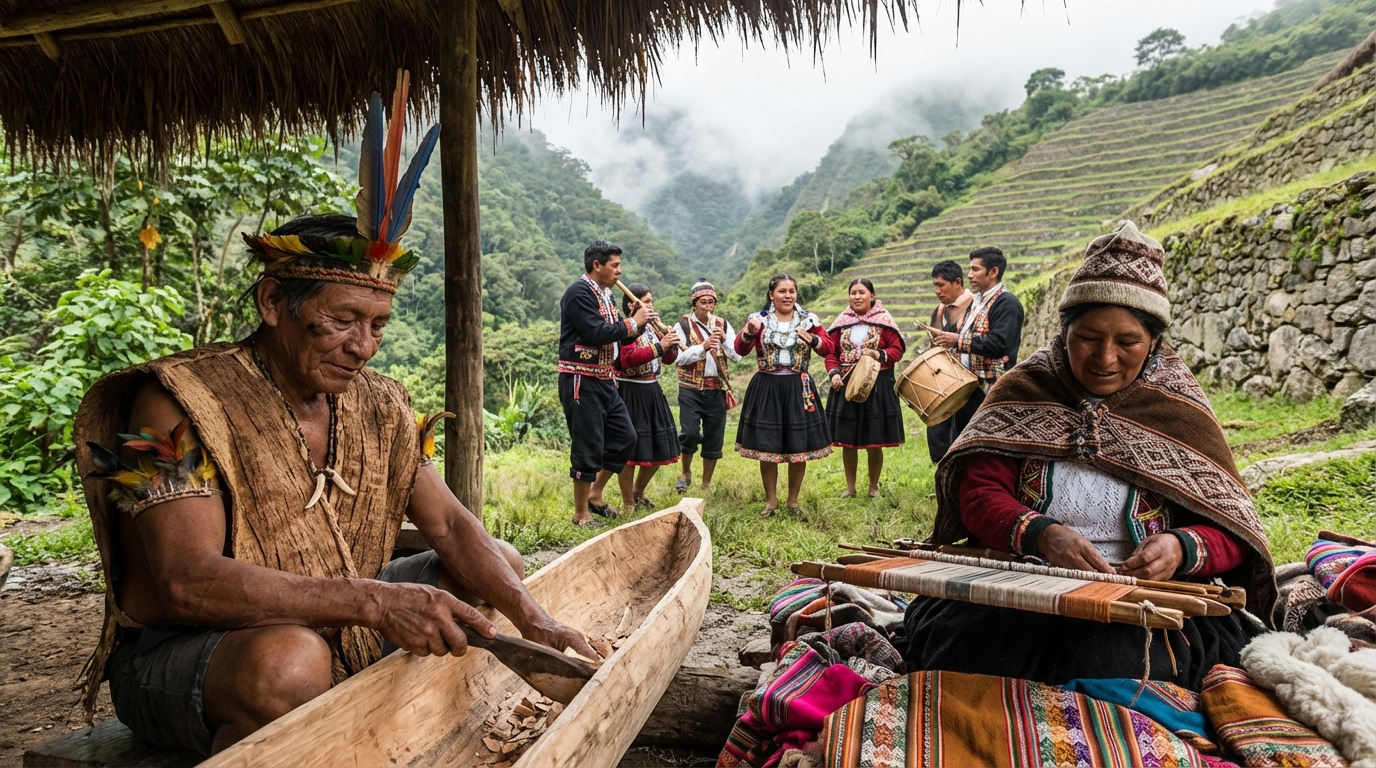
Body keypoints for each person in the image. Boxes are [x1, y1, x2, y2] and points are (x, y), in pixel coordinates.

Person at [70, 78, 595, 758]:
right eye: (342, 320)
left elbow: (449, 524)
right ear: (271, 302)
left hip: (331, 619)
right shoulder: (174, 404)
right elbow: (184, 581)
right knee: (290, 663)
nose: (364, 344)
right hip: (185, 653)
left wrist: (534, 617)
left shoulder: (380, 403)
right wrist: (375, 603)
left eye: (377, 324)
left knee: (499, 565)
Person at [904, 221, 1275, 691]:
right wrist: (1041, 535)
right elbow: (978, 493)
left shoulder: (1178, 410)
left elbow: (1230, 527)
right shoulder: (1025, 389)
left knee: (1122, 663)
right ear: (1064, 331)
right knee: (971, 649)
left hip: (1143, 601)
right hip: (1020, 582)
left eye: (1127, 342)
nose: (1105, 358)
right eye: (1088, 338)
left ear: (1154, 342)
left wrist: (1179, 548)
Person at [557, 240, 656, 527]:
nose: (619, 272)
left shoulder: (606, 295)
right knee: (587, 446)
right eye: (614, 266)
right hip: (581, 378)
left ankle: (595, 494)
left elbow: (619, 336)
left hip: (604, 380)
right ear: (596, 265)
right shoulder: (579, 292)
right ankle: (581, 515)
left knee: (625, 437)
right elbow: (596, 332)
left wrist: (642, 324)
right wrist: (632, 321)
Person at [734, 273, 835, 516]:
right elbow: (739, 348)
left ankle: (792, 501)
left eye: (791, 291)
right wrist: (749, 332)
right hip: (767, 387)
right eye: (782, 291)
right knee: (768, 447)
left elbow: (829, 347)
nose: (787, 295)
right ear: (771, 295)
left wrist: (812, 339)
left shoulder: (808, 320)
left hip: (798, 388)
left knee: (798, 446)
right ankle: (771, 500)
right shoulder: (758, 320)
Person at [929, 246, 1024, 461]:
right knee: (964, 445)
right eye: (969, 269)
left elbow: (999, 344)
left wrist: (957, 340)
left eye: (975, 269)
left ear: (993, 272)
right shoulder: (978, 302)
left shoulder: (1006, 302)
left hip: (990, 387)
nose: (969, 275)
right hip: (970, 385)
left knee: (985, 448)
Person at [824, 278, 906, 498]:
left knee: (874, 439)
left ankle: (873, 487)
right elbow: (831, 353)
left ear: (872, 295)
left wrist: (880, 355)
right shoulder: (842, 322)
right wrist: (834, 373)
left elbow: (897, 349)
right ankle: (850, 487)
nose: (857, 297)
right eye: (853, 293)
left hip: (876, 385)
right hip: (845, 384)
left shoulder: (884, 321)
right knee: (847, 441)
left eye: (861, 292)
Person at [613, 282, 681, 515]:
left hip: (652, 390)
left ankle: (637, 491)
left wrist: (670, 344)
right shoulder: (625, 329)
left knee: (661, 448)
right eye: (647, 301)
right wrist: (661, 347)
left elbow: (669, 359)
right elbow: (627, 360)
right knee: (629, 453)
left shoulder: (653, 329)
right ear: (633, 305)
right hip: (629, 392)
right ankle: (627, 502)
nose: (652, 306)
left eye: (652, 301)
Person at [673, 278, 741, 493]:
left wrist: (722, 342)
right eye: (703, 302)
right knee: (690, 432)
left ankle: (706, 484)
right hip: (690, 388)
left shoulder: (723, 325)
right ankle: (685, 472)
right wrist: (702, 347)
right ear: (694, 305)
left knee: (714, 437)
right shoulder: (682, 325)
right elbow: (678, 358)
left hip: (716, 388)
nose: (708, 307)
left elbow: (737, 355)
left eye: (711, 302)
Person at [924, 260, 975, 462]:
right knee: (938, 430)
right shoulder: (939, 311)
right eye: (935, 285)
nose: (937, 291)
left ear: (957, 282)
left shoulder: (975, 307)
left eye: (941, 285)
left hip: (969, 382)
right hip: (944, 381)